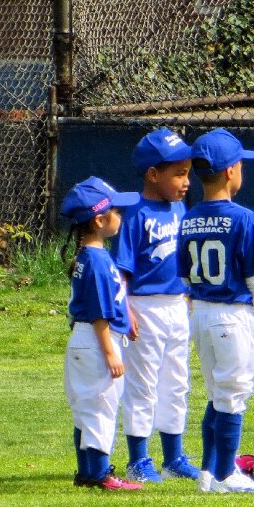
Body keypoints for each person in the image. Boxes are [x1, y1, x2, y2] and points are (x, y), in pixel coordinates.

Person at [177, 128, 254, 494]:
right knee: (234, 394)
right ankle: (225, 474)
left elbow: (184, 276)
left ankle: (207, 471)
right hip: (232, 314)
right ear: (232, 170)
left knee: (217, 393)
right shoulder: (243, 217)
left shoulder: (187, 218)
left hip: (199, 313)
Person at [111, 128, 200, 483]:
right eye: (178, 173)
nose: (186, 181)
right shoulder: (135, 212)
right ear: (152, 174)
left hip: (177, 304)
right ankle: (139, 458)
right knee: (144, 383)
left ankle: (174, 457)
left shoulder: (180, 207)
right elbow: (122, 270)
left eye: (188, 172)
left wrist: (190, 294)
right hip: (144, 307)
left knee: (176, 382)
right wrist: (125, 310)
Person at [60, 177, 143, 490]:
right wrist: (110, 352)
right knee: (101, 409)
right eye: (116, 211)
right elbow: (99, 311)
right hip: (96, 342)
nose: (120, 217)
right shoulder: (96, 259)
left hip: (83, 342)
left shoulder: (88, 256)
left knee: (86, 409)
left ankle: (86, 473)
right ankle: (100, 474)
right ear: (99, 219)